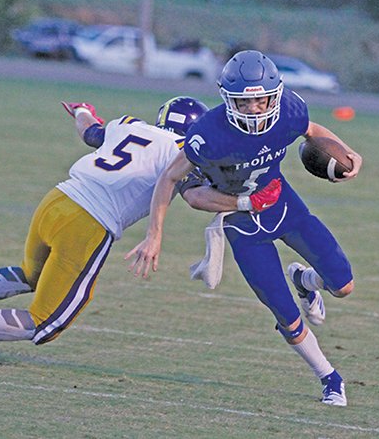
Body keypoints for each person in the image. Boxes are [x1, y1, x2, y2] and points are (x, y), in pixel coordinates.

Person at [0, 96, 283, 361]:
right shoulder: (182, 151)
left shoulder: (130, 124)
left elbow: (90, 132)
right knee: (47, 320)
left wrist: (82, 110)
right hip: (88, 222)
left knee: (33, 275)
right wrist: (247, 203)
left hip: (56, 199)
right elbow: (196, 196)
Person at [126, 50, 363, 406]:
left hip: (284, 205)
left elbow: (311, 131)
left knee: (343, 285)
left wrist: (346, 150)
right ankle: (330, 378)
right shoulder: (208, 135)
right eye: (244, 102)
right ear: (228, 99)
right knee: (285, 313)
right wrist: (154, 235)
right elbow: (175, 182)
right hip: (243, 225)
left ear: (274, 94)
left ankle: (305, 280)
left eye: (260, 100)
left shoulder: (290, 110)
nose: (254, 109)